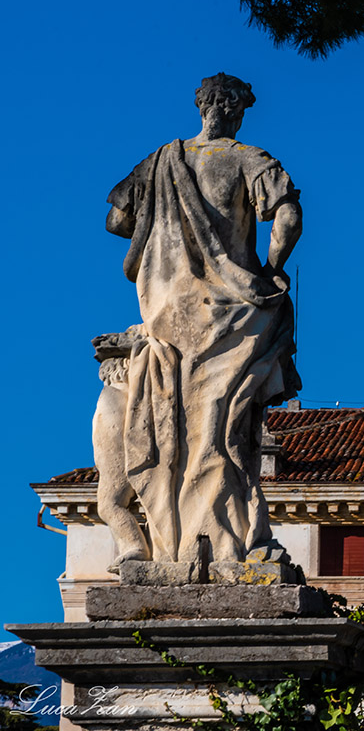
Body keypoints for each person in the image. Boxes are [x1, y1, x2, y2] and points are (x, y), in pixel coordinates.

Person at [104, 73, 302, 564]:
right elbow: (288, 217)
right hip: (231, 314)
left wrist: (159, 223)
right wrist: (270, 270)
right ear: (234, 109)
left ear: (202, 107)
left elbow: (116, 220)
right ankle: (224, 538)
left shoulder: (159, 163)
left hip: (168, 315)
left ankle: (173, 541)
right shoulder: (248, 159)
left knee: (174, 423)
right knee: (224, 424)